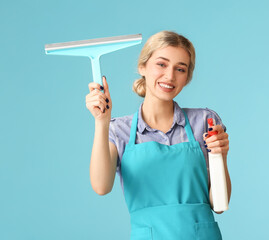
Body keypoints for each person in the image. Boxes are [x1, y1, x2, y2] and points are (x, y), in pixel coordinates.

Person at [85, 30, 231, 240]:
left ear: (187, 77)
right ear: (142, 66)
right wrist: (102, 121)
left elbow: (219, 205)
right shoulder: (119, 131)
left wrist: (220, 155)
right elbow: (101, 186)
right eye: (161, 64)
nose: (170, 76)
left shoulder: (205, 122)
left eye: (180, 69)